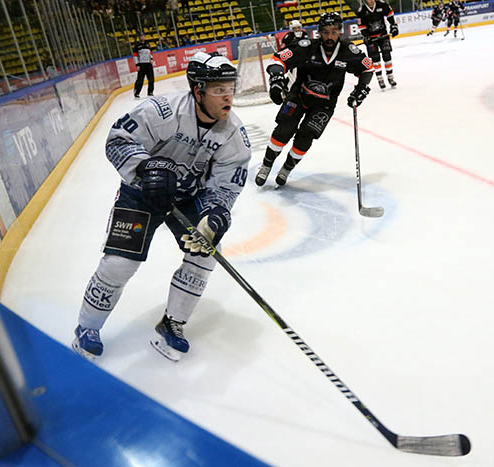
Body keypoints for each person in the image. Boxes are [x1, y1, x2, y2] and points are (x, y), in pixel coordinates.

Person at [72, 52, 251, 362]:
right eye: (219, 90)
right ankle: (86, 328)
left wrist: (215, 214)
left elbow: (225, 184)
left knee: (204, 254)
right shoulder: (162, 111)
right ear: (198, 91)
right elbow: (117, 139)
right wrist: (145, 168)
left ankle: (173, 323)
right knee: (120, 264)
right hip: (141, 193)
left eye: (230, 88)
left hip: (189, 196)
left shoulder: (233, 133)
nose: (228, 96)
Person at [254, 12, 374, 187]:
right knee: (284, 130)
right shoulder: (306, 46)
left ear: (340, 32)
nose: (330, 36)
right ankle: (266, 165)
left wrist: (362, 89)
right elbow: (278, 59)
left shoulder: (348, 51)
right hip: (299, 96)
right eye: (325, 32)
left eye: (334, 32)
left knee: (305, 137)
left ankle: (287, 168)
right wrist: (276, 80)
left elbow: (367, 68)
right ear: (319, 32)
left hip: (324, 105)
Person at [357, 0, 398, 90]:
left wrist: (394, 26)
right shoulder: (362, 11)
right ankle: (380, 79)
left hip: (383, 35)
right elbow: (362, 26)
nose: (371, 0)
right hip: (371, 38)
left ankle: (390, 77)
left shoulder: (382, 4)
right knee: (375, 58)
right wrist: (366, 37)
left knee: (387, 55)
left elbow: (390, 14)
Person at [133, 33, 155, 98]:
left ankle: (150, 92)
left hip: (148, 64)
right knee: (140, 80)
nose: (142, 37)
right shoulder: (137, 46)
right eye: (141, 36)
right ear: (139, 37)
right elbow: (135, 56)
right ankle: (136, 92)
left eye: (143, 36)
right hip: (141, 64)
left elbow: (150, 53)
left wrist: (151, 59)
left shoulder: (148, 44)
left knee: (151, 79)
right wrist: (137, 64)